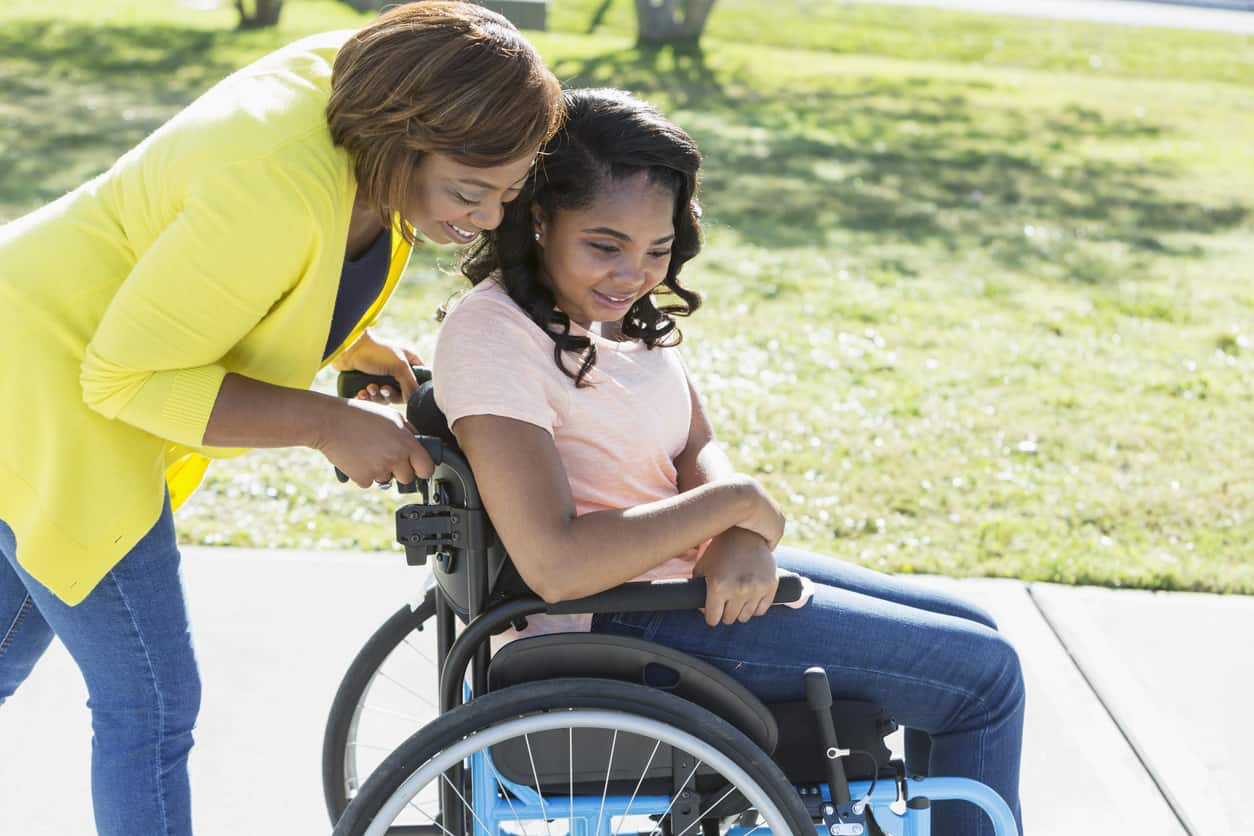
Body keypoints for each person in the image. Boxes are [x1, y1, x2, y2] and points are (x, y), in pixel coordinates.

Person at [0, 3, 562, 834]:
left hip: (44, 348)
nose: (483, 219)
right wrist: (325, 424)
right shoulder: (271, 186)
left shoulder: (369, 87)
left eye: (508, 195)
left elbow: (228, 270)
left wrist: (344, 341)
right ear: (399, 136)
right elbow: (126, 376)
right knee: (150, 705)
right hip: (50, 391)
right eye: (469, 191)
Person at [431, 88, 1025, 836]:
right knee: (985, 679)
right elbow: (554, 564)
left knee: (975, 625)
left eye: (657, 249)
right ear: (541, 216)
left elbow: (692, 448)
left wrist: (740, 532)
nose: (633, 275)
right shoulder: (495, 335)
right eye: (604, 246)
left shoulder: (612, 322)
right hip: (619, 621)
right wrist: (731, 507)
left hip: (678, 582)